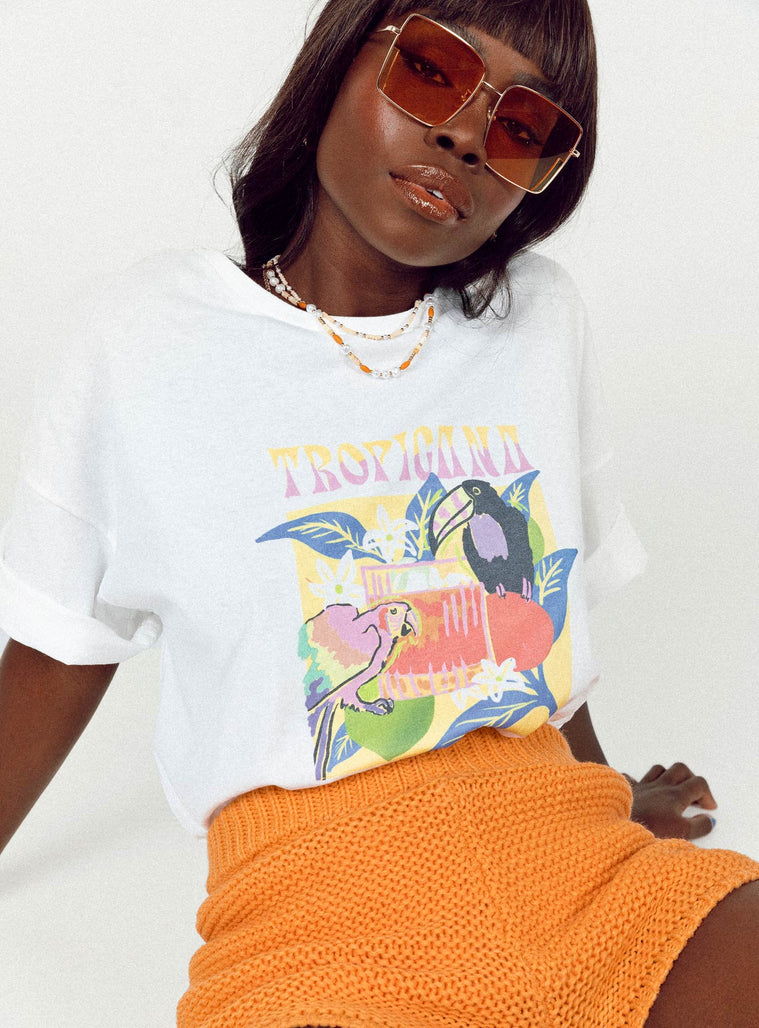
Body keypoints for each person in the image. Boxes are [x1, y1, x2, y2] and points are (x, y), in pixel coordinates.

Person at [1, 0, 758, 1025]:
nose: (467, 136)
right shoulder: (142, 342)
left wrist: (613, 796)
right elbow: (58, 649)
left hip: (580, 868)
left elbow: (539, 615)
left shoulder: (539, 323)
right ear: (335, 60)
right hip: (310, 923)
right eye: (433, 69)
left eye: (522, 126)